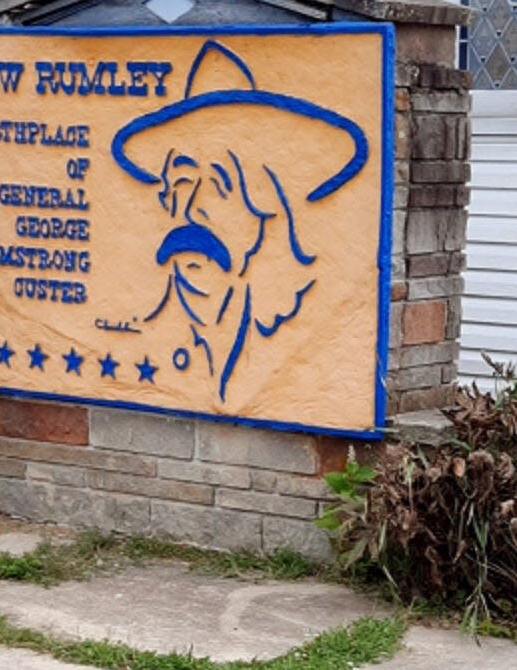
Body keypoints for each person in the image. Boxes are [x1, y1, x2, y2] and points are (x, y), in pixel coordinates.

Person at [110, 39, 369, 402]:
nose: (192, 208)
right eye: (183, 181)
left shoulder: (298, 346)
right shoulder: (143, 322)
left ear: (263, 211)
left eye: (218, 184)